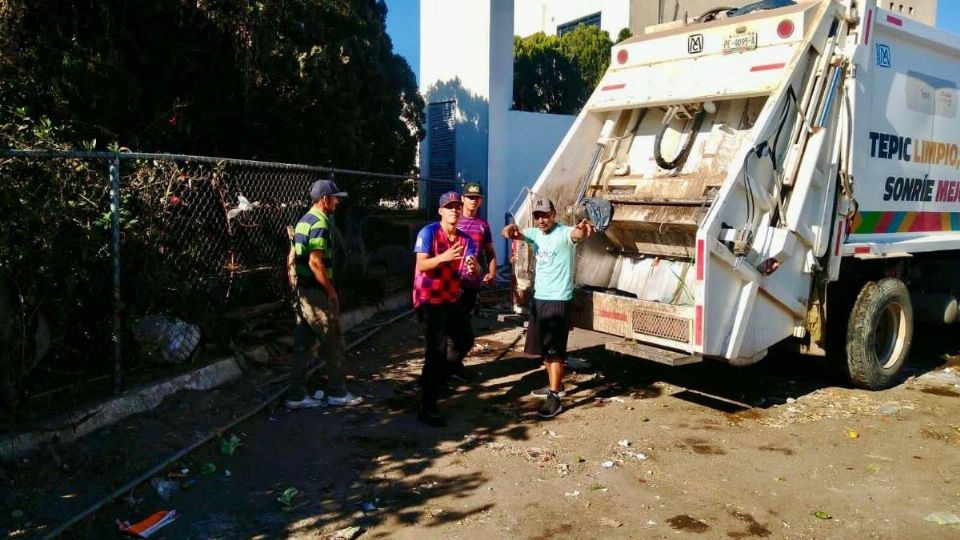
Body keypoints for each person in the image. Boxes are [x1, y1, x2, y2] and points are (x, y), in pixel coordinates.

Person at [501, 196, 596, 418]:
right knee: (544, 348)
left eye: (545, 215)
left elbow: (577, 234)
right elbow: (509, 234)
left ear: (554, 214)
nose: (542, 220)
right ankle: (555, 384)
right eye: (538, 216)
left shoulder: (564, 233)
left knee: (555, 351)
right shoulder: (534, 234)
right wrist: (511, 228)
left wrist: (582, 229)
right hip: (539, 299)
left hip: (558, 300)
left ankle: (555, 397)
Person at [286, 179, 363, 410]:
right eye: (335, 197)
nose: (338, 202)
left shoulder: (303, 221)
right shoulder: (320, 222)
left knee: (302, 344)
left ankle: (296, 395)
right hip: (316, 294)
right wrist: (331, 292)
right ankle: (337, 393)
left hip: (303, 293)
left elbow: (291, 258)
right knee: (333, 342)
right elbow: (315, 262)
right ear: (324, 199)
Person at [413, 191, 480, 427]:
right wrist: (443, 257)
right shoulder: (429, 232)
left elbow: (471, 267)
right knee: (436, 350)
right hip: (429, 298)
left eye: (456, 207)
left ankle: (435, 380)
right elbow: (422, 264)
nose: (454, 210)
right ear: (440, 211)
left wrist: (474, 267)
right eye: (448, 207)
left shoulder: (465, 239)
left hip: (450, 298)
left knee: (465, 339)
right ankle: (427, 407)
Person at [446, 181, 497, 383]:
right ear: (463, 199)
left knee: (465, 325)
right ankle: (447, 370)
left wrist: (491, 273)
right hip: (452, 285)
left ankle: (455, 366)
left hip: (471, 285)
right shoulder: (454, 220)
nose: (473, 201)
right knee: (452, 329)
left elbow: (490, 253)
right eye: (469, 197)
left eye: (476, 198)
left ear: (481, 201)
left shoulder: (483, 225)